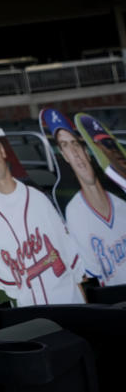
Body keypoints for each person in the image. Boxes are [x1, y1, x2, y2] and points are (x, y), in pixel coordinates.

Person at [0, 103, 84, 305]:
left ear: (2, 148)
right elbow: (9, 285)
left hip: (73, 305)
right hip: (35, 322)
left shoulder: (39, 198)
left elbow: (74, 267)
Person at [44, 109, 126, 286]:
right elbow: (90, 281)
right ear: (64, 156)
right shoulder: (73, 214)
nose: (74, 152)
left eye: (75, 144)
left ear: (87, 151)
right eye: (65, 146)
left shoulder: (121, 203)